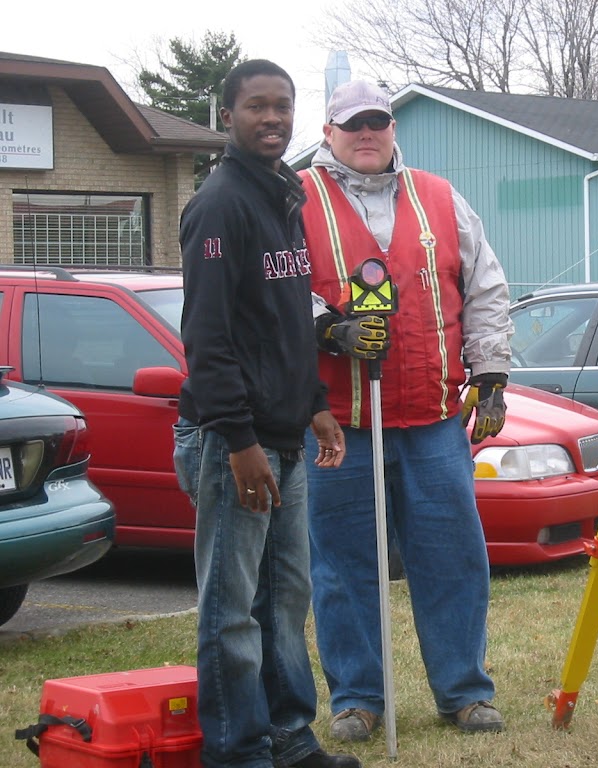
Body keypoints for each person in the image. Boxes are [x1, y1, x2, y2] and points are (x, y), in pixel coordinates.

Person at [298, 79, 513, 742]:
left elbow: (485, 287)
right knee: (342, 564)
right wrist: (326, 329)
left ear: (392, 128)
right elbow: (271, 285)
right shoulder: (296, 198)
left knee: (452, 555)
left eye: (377, 122)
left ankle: (464, 690)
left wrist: (493, 373)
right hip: (340, 422)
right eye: (352, 124)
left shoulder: (441, 197)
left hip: (432, 417)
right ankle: (357, 698)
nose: (366, 134)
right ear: (330, 132)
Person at [173, 59, 360, 768]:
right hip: (233, 442)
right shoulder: (220, 204)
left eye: (282, 106)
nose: (272, 118)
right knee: (231, 613)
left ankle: (290, 740)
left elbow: (284, 320)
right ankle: (238, 752)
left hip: (285, 435)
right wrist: (240, 441)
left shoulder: (283, 195)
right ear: (228, 115)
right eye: (257, 106)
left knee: (284, 602)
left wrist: (314, 405)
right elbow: (209, 339)